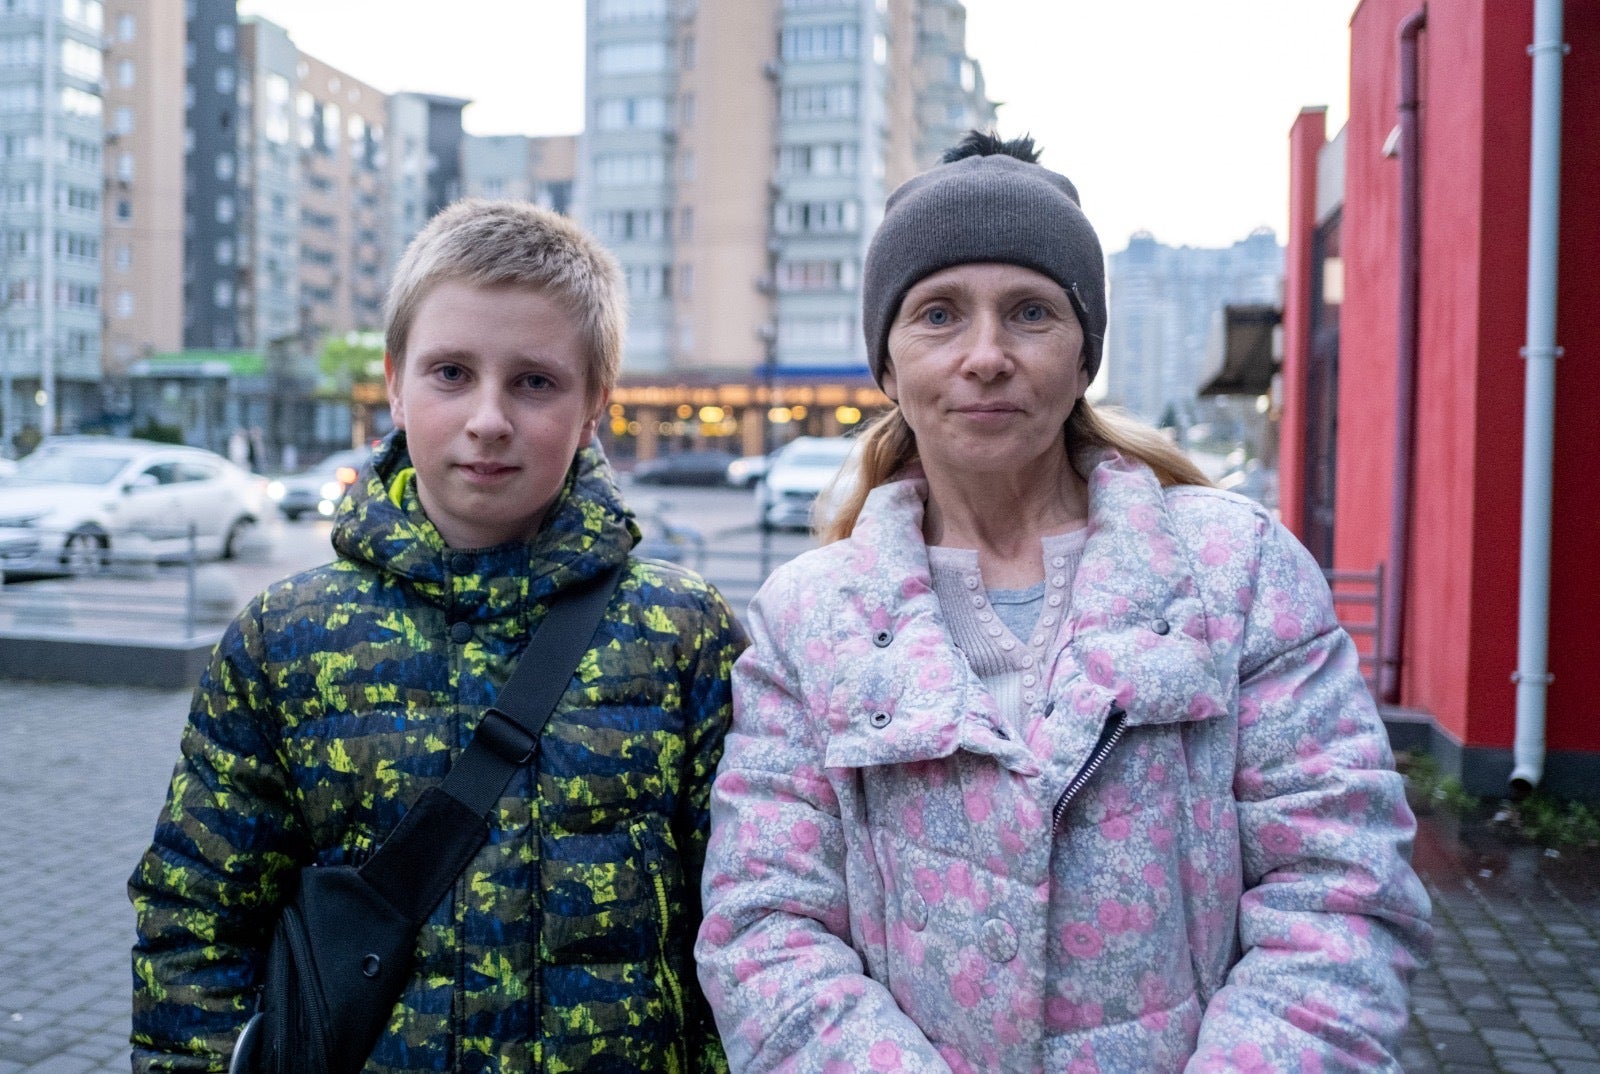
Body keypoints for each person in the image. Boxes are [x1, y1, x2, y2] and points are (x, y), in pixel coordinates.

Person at [695, 132, 1432, 1073]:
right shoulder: (808, 618)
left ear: (1085, 357)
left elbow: (1339, 891)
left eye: (1031, 313)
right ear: (886, 366)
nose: (986, 355)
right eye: (938, 315)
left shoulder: (1235, 573)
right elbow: (767, 926)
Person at [130, 200, 744, 1073]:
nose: (488, 418)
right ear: (393, 380)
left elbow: (740, 926)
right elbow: (193, 920)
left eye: (534, 381)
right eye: (451, 372)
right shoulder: (284, 639)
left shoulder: (685, 635)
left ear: (597, 401)